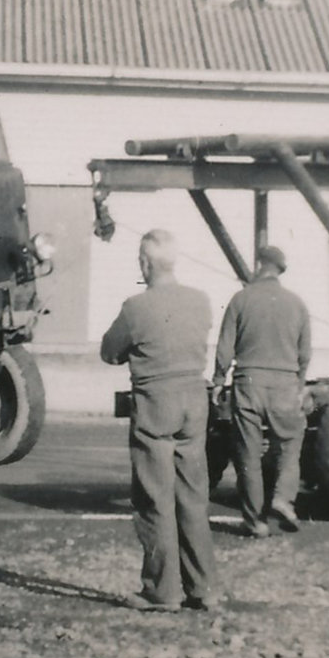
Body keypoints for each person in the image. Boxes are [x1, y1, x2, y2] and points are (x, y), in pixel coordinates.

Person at [100, 230, 217, 612]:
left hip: (156, 403)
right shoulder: (200, 301)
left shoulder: (136, 306)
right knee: (193, 496)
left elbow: (109, 352)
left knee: (155, 497)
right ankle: (203, 587)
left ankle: (162, 590)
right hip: (194, 402)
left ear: (145, 263)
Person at [214, 245, 311, 536]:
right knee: (290, 444)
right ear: (280, 270)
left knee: (248, 453)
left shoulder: (240, 299)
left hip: (249, 383)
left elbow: (224, 347)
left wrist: (219, 380)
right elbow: (304, 353)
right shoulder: (297, 304)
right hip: (284, 383)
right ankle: (283, 499)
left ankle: (255, 521)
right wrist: (299, 382)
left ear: (259, 265)